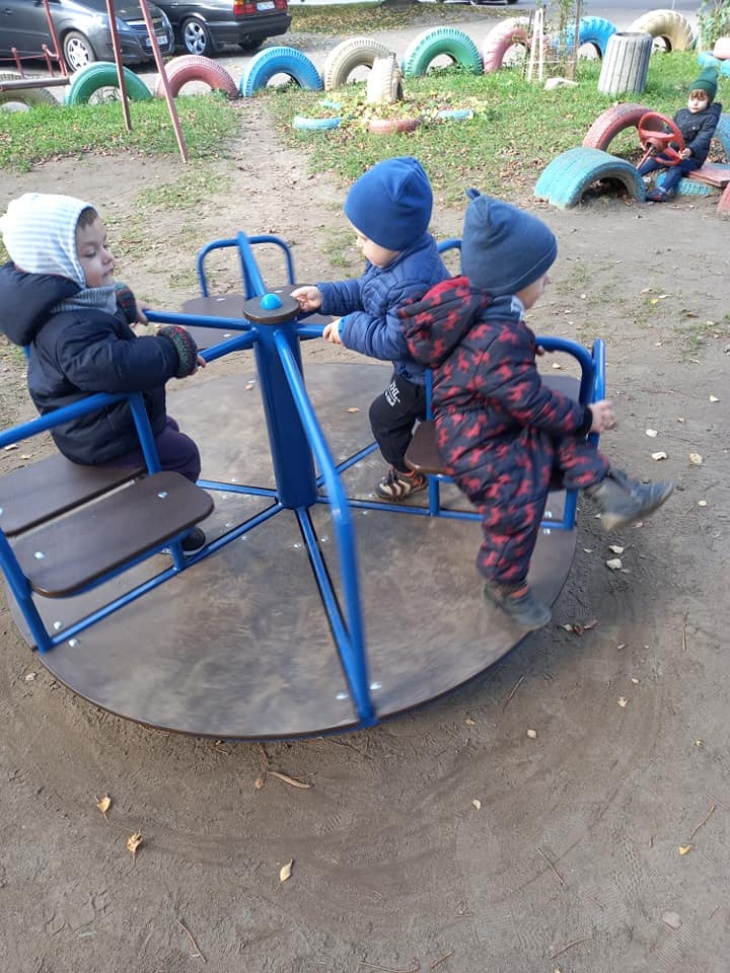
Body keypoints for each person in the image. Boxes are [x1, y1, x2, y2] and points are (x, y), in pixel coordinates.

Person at [400, 191, 674, 631]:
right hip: (474, 442)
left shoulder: (484, 309)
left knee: (556, 436)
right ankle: (504, 585)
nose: (547, 281)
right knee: (518, 500)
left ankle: (613, 493)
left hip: (490, 418)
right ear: (513, 282)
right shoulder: (498, 336)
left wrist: (524, 346)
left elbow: (490, 361)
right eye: (540, 275)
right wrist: (586, 417)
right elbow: (527, 400)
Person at [0, 192, 208, 553]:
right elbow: (117, 367)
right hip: (101, 437)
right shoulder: (70, 330)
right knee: (182, 455)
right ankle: (163, 527)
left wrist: (117, 302)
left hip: (105, 421)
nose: (108, 257)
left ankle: (154, 497)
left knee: (167, 430)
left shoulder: (66, 304)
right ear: (57, 268)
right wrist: (171, 351)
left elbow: (95, 320)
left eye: (104, 245)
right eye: (90, 253)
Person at [291, 156, 450, 500]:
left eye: (364, 237)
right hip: (422, 365)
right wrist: (325, 296)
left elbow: (394, 340)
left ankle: (408, 473)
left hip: (426, 376)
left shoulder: (411, 283)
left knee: (383, 418)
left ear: (394, 236)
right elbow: (368, 291)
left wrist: (350, 328)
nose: (358, 244)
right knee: (401, 412)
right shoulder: (398, 257)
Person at [640, 67, 722, 203]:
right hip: (673, 151)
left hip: (692, 157)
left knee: (676, 167)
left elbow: (703, 137)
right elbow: (669, 131)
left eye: (701, 99)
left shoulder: (709, 118)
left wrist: (690, 150)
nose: (695, 103)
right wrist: (655, 140)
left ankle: (662, 191)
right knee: (655, 158)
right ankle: (633, 175)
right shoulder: (681, 113)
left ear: (709, 101)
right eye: (692, 98)